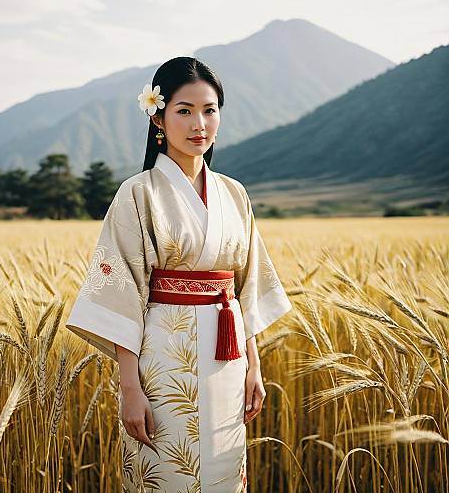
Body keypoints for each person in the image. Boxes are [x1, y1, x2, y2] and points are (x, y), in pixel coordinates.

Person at [65, 56, 292, 492]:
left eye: (209, 110)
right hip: (163, 365)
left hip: (229, 363)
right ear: (159, 117)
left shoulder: (233, 193)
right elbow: (121, 294)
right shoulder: (138, 193)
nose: (198, 124)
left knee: (224, 475)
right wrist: (130, 388)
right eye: (184, 111)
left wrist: (254, 367)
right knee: (168, 475)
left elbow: (246, 285)